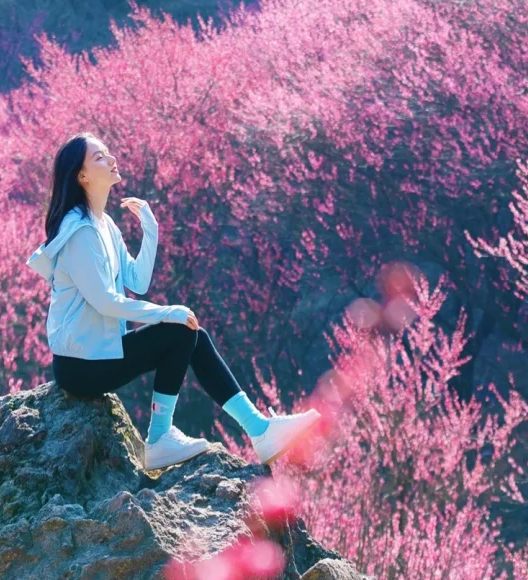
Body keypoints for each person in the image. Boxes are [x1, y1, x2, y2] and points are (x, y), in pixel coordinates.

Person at [27, 131, 321, 471]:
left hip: (99, 352)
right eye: (99, 157)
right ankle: (162, 438)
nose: (111, 159)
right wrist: (169, 313)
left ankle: (259, 429)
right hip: (81, 366)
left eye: (108, 153)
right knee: (179, 330)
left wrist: (150, 229)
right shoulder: (79, 233)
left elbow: (137, 281)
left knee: (192, 334)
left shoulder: (103, 225)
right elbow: (106, 302)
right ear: (82, 176)